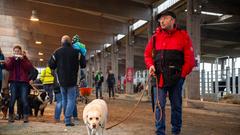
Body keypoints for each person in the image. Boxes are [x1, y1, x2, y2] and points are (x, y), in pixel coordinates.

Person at [144, 11, 195, 135]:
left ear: (173, 20)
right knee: (159, 105)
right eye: (160, 19)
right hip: (159, 78)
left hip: (176, 78)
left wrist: (182, 76)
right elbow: (147, 55)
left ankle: (176, 131)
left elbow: (190, 60)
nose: (161, 21)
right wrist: (150, 66)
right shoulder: (155, 38)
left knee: (176, 106)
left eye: (165, 18)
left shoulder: (183, 36)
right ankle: (160, 132)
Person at [48, 35, 86, 127]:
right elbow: (83, 65)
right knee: (71, 100)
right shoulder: (77, 52)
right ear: (70, 42)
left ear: (62, 42)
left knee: (65, 99)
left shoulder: (56, 52)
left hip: (61, 81)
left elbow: (51, 65)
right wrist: (83, 53)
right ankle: (67, 119)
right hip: (72, 80)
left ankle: (66, 118)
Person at [4, 45, 33, 123]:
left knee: (24, 99)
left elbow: (28, 68)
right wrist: (13, 59)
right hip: (13, 82)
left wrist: (22, 59)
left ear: (21, 52)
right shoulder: (11, 59)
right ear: (13, 52)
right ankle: (11, 116)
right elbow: (8, 67)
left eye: (18, 51)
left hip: (23, 83)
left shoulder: (25, 59)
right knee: (12, 99)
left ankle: (25, 116)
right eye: (15, 51)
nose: (17, 52)